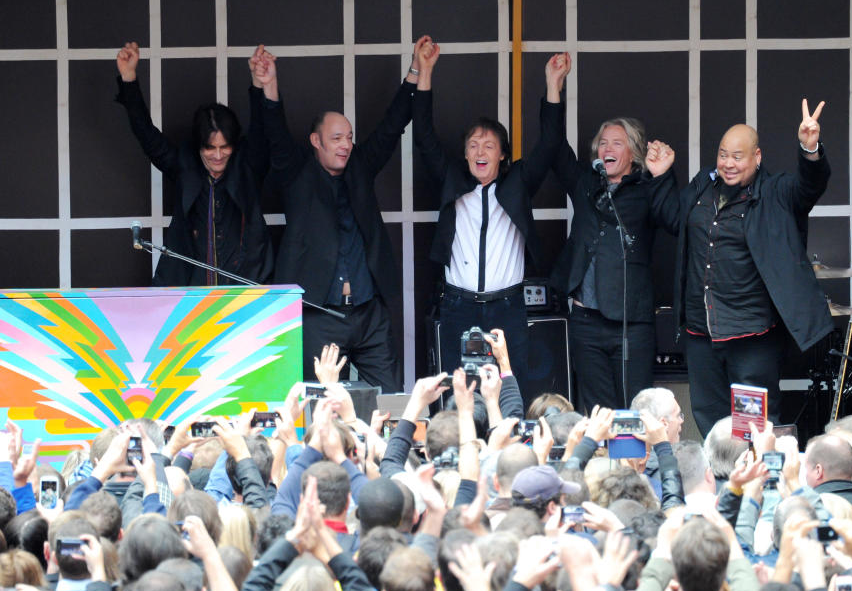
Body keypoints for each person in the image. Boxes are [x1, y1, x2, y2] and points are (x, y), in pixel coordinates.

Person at [647, 99, 833, 435]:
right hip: (701, 331)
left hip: (751, 334)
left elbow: (810, 187)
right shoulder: (703, 186)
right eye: (723, 155)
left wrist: (810, 148)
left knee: (753, 427)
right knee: (709, 419)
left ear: (756, 157)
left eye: (737, 156)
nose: (728, 163)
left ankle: (756, 484)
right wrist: (661, 177)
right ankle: (720, 482)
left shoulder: (776, 192)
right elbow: (674, 219)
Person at [255, 39, 433, 390]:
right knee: (317, 402)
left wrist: (416, 70)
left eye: (349, 137)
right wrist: (269, 85)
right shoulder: (297, 174)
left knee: (388, 398)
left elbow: (391, 126)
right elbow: (274, 132)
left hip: (368, 311)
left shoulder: (360, 168)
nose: (345, 145)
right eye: (336, 138)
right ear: (316, 141)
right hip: (319, 313)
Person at [413, 40, 570, 400]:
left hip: (507, 306)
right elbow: (423, 135)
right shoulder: (454, 180)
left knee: (511, 393)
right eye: (473, 145)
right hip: (458, 304)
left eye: (489, 145)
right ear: (464, 153)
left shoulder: (518, 182)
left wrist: (552, 85)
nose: (480, 152)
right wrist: (425, 72)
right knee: (460, 396)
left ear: (503, 154)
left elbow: (549, 143)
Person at [115, 42, 273, 287]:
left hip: (244, 291)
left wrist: (257, 84)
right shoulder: (185, 164)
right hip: (189, 294)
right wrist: (129, 79)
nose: (218, 155)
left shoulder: (246, 166)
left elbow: (263, 133)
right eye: (210, 148)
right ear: (199, 146)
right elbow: (147, 135)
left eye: (225, 147)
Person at [551, 112, 674, 412]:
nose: (607, 149)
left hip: (631, 324)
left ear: (634, 152)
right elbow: (554, 146)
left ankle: (638, 462)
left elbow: (674, 221)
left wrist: (663, 176)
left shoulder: (647, 189)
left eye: (617, 143)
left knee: (637, 412)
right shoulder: (585, 183)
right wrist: (553, 88)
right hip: (585, 322)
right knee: (597, 413)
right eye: (603, 143)